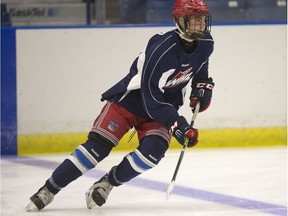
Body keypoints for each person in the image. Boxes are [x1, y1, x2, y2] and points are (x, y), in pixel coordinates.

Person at [25, 0, 215, 212]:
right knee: (95, 150)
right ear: (179, 20)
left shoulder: (206, 43)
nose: (199, 24)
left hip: (161, 109)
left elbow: (200, 66)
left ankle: (107, 183)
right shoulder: (161, 48)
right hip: (131, 101)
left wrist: (202, 87)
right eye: (193, 19)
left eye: (202, 19)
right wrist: (176, 123)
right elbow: (151, 96)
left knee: (152, 153)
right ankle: (49, 190)